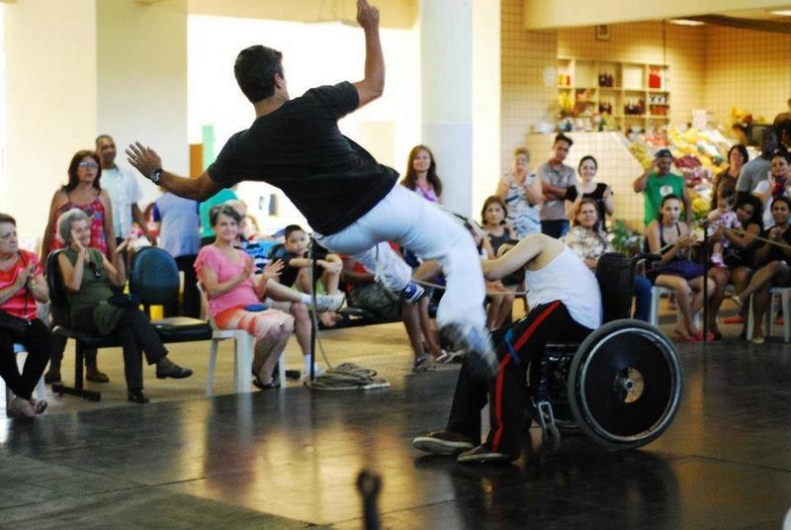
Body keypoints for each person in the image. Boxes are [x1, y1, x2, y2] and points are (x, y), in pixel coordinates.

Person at [126, 0, 495, 380]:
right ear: (278, 80)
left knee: (374, 253)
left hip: (337, 233)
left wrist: (156, 174)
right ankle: (461, 320)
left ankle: (404, 285)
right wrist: (370, 25)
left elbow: (198, 189)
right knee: (456, 243)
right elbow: (375, 85)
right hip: (383, 204)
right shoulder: (315, 104)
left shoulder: (243, 146)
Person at [412, 233, 601, 463]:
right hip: (560, 312)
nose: (512, 268)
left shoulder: (538, 241)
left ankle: (503, 443)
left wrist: (448, 261)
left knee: (504, 360)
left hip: (569, 313)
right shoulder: (541, 275)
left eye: (509, 256)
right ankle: (460, 431)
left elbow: (494, 270)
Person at [57, 209, 193, 404]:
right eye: (78, 231)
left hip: (108, 308)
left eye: (86, 229)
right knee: (131, 312)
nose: (85, 234)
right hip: (85, 312)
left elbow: (118, 281)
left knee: (130, 329)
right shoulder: (64, 256)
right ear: (68, 235)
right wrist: (80, 256)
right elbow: (74, 285)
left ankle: (135, 390)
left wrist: (119, 257)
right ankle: (162, 361)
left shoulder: (96, 255)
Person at [226, 201, 344, 378]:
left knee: (299, 307)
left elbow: (281, 265)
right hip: (244, 299)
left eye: (243, 217)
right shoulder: (221, 251)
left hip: (267, 295)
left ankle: (310, 366)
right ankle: (316, 304)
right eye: (234, 218)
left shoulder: (257, 245)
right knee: (263, 278)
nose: (241, 222)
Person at [195, 205, 294, 389]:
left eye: (233, 223)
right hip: (225, 311)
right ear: (214, 227)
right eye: (223, 224)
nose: (229, 228)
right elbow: (213, 291)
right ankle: (258, 370)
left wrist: (264, 278)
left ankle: (264, 370)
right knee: (271, 327)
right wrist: (240, 277)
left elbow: (256, 295)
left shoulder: (243, 255)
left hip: (251, 307)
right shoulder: (208, 252)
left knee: (287, 323)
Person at [41, 149, 116, 385]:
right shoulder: (62, 195)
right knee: (61, 313)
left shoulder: (102, 195)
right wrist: (43, 262)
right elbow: (50, 228)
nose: (89, 168)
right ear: (75, 169)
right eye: (83, 164)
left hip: (94, 259)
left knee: (91, 306)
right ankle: (54, 366)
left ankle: (91, 366)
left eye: (93, 165)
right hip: (64, 260)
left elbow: (110, 231)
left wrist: (113, 262)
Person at [564, 199, 651, 321]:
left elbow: (612, 255)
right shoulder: (574, 234)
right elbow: (578, 261)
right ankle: (632, 327)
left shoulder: (601, 233)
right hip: (592, 279)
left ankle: (638, 326)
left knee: (644, 284)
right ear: (577, 216)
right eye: (584, 212)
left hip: (611, 277)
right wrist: (606, 265)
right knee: (643, 285)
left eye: (591, 211)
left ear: (597, 214)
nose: (588, 214)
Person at [0, 213, 51, 419]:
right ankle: (28, 399)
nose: (13, 239)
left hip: (25, 319)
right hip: (2, 321)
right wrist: (16, 285)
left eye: (14, 234)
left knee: (45, 339)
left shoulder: (28, 258)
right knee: (1, 346)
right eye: (5, 236)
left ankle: (21, 398)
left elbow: (45, 296)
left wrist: (29, 283)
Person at [644, 194, 714, 342]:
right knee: (681, 285)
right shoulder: (654, 227)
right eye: (668, 209)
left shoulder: (682, 227)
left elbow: (684, 260)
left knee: (710, 284)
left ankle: (682, 324)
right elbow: (657, 261)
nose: (672, 213)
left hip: (678, 270)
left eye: (676, 209)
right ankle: (691, 326)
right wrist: (677, 246)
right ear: (661, 210)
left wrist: (688, 248)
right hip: (656, 271)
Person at [731, 196, 791, 344]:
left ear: (789, 212)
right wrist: (770, 242)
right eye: (775, 209)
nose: (779, 212)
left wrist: (780, 241)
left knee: (776, 264)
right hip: (767, 274)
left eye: (783, 209)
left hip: (787, 273)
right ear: (771, 212)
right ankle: (757, 329)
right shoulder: (766, 232)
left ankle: (743, 295)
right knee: (763, 282)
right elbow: (757, 258)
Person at [268, 224, 344, 328]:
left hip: (318, 295)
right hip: (292, 297)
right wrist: (321, 263)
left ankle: (331, 307)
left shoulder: (310, 254)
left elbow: (330, 256)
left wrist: (337, 262)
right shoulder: (281, 256)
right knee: (304, 270)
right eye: (294, 241)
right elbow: (295, 262)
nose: (299, 244)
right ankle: (322, 312)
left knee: (333, 268)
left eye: (302, 239)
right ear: (286, 244)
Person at [710, 195, 763, 331]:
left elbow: (744, 244)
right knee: (718, 277)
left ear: (753, 215)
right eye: (741, 209)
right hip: (723, 263)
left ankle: (748, 325)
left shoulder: (753, 227)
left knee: (741, 276)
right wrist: (714, 237)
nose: (743, 213)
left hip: (744, 263)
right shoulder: (723, 217)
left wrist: (726, 232)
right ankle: (711, 323)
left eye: (748, 212)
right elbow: (710, 240)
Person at [96, 134, 155, 248]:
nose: (109, 150)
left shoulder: (127, 175)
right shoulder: (95, 177)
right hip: (101, 237)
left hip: (123, 237)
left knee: (122, 266)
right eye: (104, 148)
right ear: (97, 150)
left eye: (112, 146)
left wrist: (147, 232)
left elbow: (134, 207)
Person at [151, 191, 201, 318]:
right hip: (191, 244)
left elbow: (157, 227)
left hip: (169, 246)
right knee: (192, 286)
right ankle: (192, 318)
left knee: (170, 286)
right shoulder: (194, 198)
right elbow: (199, 220)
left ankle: (169, 318)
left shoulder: (159, 201)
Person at [633, 148, 691, 227]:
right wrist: (650, 168)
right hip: (652, 226)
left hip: (672, 226)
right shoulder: (649, 179)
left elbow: (687, 203)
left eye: (668, 163)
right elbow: (637, 188)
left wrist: (687, 225)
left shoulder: (679, 180)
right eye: (663, 163)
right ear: (657, 163)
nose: (666, 166)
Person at [494, 147, 542, 239]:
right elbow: (498, 202)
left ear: (528, 162)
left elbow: (535, 201)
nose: (520, 162)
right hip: (510, 226)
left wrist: (525, 184)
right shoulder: (505, 178)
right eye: (517, 159)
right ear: (513, 161)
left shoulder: (533, 178)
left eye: (523, 159)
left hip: (530, 226)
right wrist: (508, 186)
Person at [537, 134, 577, 238]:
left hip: (564, 218)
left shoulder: (570, 171)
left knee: (562, 251)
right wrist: (564, 193)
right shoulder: (542, 168)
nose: (562, 152)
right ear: (553, 147)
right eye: (559, 148)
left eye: (565, 150)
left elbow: (572, 194)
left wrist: (549, 189)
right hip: (544, 218)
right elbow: (541, 188)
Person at [565, 155, 614, 233]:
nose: (588, 171)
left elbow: (610, 213)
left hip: (599, 232)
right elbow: (569, 216)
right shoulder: (572, 190)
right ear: (579, 170)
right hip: (578, 234)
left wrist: (605, 198)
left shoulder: (603, 188)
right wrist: (579, 196)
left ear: (595, 171)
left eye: (592, 168)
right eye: (585, 168)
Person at [735, 129, 779, 204]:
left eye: (770, 139)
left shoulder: (784, 167)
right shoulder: (749, 167)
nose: (767, 142)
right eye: (764, 139)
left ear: (777, 142)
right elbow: (740, 197)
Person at [751, 148, 791, 229]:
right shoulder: (763, 184)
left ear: (789, 166)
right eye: (774, 165)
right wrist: (770, 189)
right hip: (765, 228)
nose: (777, 167)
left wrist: (788, 187)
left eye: (781, 164)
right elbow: (755, 208)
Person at [711, 144, 748, 210]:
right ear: (729, 157)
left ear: (744, 158)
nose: (737, 157)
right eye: (734, 154)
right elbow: (714, 197)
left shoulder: (747, 177)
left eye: (740, 155)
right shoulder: (721, 176)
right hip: (721, 212)